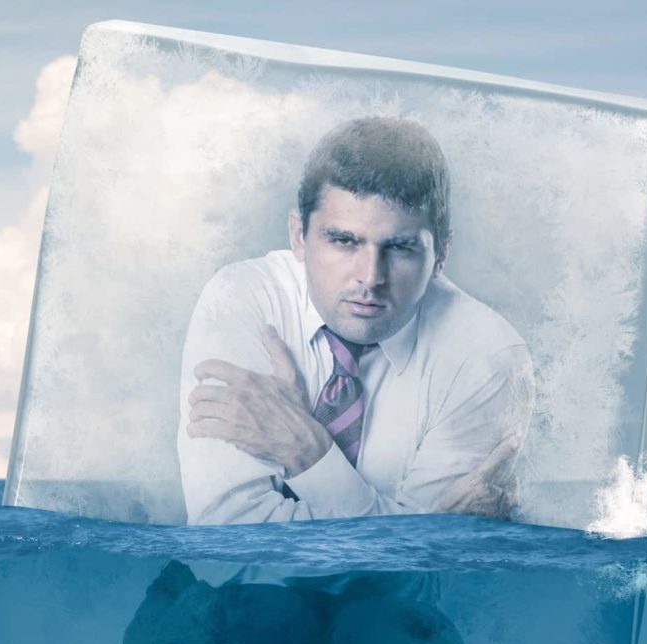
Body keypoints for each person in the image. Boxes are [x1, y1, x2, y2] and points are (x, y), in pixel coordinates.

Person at [177, 116, 535, 525]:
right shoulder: (243, 299)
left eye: (400, 247)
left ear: (441, 254)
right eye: (344, 240)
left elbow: (422, 566)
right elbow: (228, 540)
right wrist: (417, 532)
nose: (370, 277)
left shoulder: (485, 356)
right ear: (298, 236)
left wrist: (307, 451)